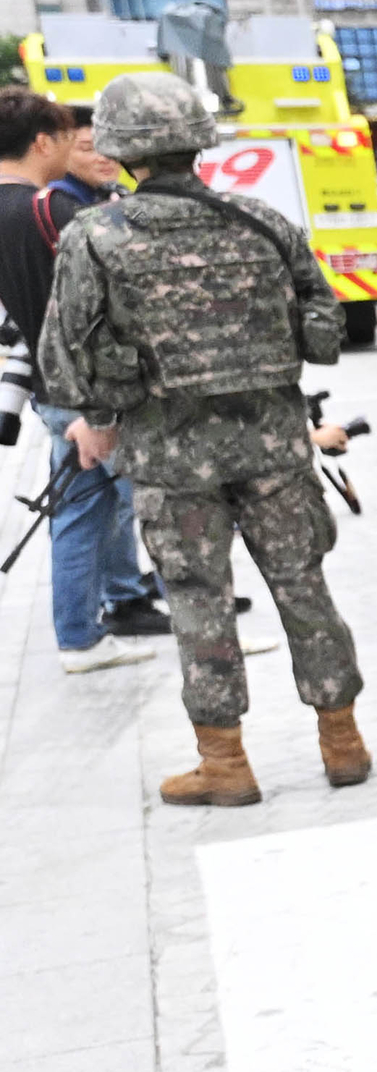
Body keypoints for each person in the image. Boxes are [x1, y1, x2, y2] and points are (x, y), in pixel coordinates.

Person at [44, 74, 365, 803]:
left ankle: (226, 765)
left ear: (122, 150)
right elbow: (324, 332)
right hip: (276, 450)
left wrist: (122, 385)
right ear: (200, 138)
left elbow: (65, 362)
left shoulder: (94, 236)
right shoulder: (262, 222)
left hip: (170, 458)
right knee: (305, 589)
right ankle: (342, 742)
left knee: (197, 600)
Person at [0, 91, 167, 671]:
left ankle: (103, 614)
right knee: (102, 511)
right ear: (43, 142)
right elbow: (86, 314)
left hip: (52, 390)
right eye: (70, 138)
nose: (76, 148)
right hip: (77, 394)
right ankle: (82, 635)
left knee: (92, 510)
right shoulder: (45, 211)